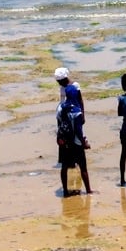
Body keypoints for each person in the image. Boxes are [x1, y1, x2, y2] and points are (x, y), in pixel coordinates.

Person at [54, 67, 93, 195]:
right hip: (74, 136)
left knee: (65, 165)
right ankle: (88, 190)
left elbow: (60, 119)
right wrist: (83, 142)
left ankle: (65, 191)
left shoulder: (61, 108)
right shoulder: (75, 111)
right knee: (82, 164)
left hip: (65, 135)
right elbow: (78, 129)